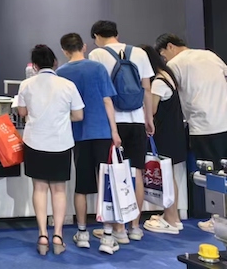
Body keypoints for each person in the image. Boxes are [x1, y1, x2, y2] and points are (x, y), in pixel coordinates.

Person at [88, 20, 154, 243]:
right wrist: (148, 118)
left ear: (97, 36)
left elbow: (99, 93)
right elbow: (147, 89)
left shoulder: (97, 55)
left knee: (115, 174)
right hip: (137, 120)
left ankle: (119, 229)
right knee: (137, 172)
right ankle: (135, 227)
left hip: (112, 123)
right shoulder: (139, 53)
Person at [155, 33, 227, 234]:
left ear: (170, 46)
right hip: (224, 120)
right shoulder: (210, 55)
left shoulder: (175, 64)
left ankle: (218, 219)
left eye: (163, 54)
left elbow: (167, 90)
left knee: (211, 174)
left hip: (203, 124)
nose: (164, 59)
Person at [56, 33, 121, 254]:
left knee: (81, 185)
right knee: (106, 184)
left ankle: (82, 232)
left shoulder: (61, 73)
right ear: (83, 46)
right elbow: (107, 100)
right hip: (102, 132)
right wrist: (114, 131)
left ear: (64, 50)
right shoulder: (98, 68)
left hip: (78, 135)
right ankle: (108, 236)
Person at [17, 44, 84, 256]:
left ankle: (42, 235)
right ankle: (58, 236)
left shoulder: (26, 84)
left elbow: (22, 112)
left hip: (35, 142)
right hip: (60, 143)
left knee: (39, 189)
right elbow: (78, 115)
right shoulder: (67, 85)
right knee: (59, 190)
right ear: (55, 62)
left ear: (34, 66)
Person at [140, 44, 186, 236]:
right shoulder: (167, 76)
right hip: (173, 134)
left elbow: (152, 110)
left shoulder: (158, 82)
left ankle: (171, 219)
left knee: (167, 177)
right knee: (169, 176)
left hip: (165, 136)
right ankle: (172, 216)